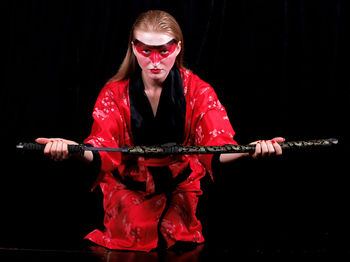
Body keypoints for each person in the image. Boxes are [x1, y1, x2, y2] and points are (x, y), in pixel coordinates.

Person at [36, 10, 284, 252]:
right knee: (129, 242)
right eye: (146, 51)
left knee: (180, 241)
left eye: (163, 51)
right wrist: (73, 150)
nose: (155, 62)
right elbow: (101, 147)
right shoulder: (114, 94)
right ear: (134, 47)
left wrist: (251, 151)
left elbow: (216, 145)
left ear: (177, 48)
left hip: (179, 188)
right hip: (128, 190)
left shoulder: (198, 91)